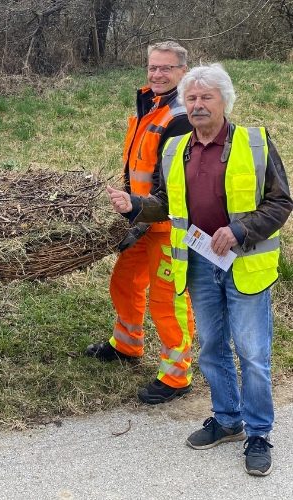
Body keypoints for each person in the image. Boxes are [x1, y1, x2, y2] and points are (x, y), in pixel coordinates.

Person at [107, 63, 292, 476]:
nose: (197, 104)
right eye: (191, 98)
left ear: (224, 100)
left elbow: (280, 202)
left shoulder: (254, 142)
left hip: (245, 265)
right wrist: (134, 205)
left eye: (206, 97)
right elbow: (166, 202)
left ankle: (259, 433)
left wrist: (241, 230)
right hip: (198, 263)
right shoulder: (177, 148)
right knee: (210, 347)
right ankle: (227, 420)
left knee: (253, 353)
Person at [85, 41, 196, 405]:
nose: (157, 74)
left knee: (168, 302)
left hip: (167, 223)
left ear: (183, 71)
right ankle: (128, 344)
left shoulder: (180, 116)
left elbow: (175, 187)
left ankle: (177, 376)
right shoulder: (151, 103)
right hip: (141, 219)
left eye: (167, 68)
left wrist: (137, 206)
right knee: (124, 281)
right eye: (153, 67)